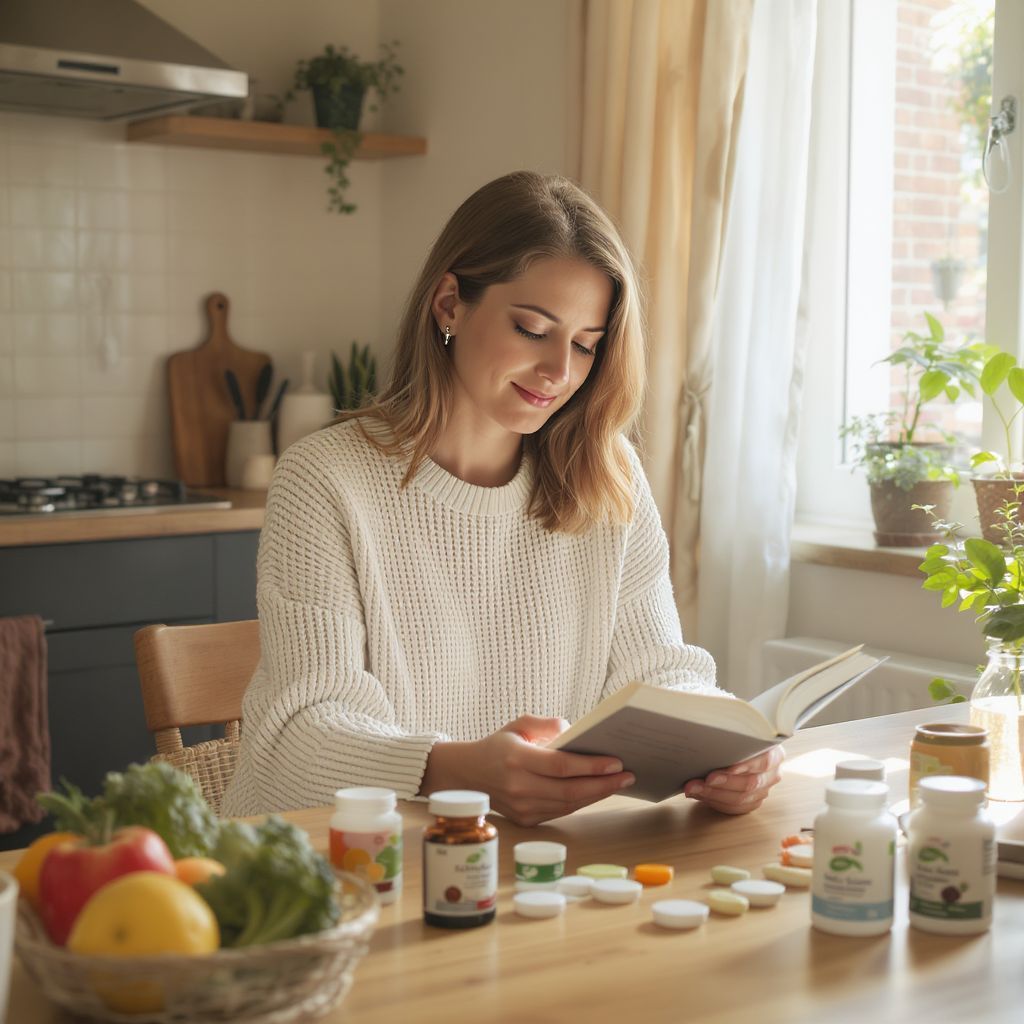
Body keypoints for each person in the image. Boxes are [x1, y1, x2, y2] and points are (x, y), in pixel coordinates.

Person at [221, 171, 782, 825]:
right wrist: (456, 772)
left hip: (517, 865)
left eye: (585, 346)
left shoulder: (608, 476)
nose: (559, 372)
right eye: (533, 329)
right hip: (335, 864)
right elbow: (304, 734)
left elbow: (659, 669)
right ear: (449, 305)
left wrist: (725, 747)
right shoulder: (324, 478)